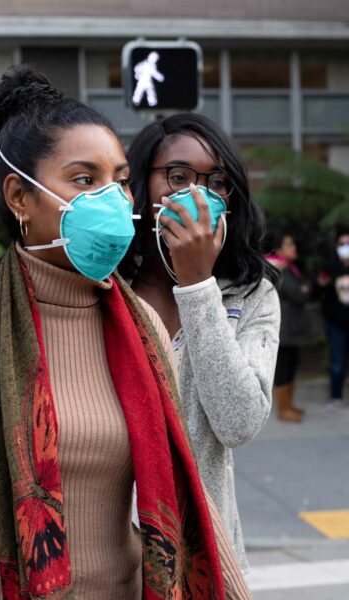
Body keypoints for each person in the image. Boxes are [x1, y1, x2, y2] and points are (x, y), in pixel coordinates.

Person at [0, 67, 250, 599]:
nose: (114, 201)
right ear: (19, 197)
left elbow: (185, 485)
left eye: (119, 180)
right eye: (84, 180)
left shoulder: (140, 327)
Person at [119, 112, 280, 572]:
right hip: (111, 558)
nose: (196, 193)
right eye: (177, 176)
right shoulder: (108, 288)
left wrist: (196, 284)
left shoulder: (252, 295)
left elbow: (239, 422)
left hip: (202, 557)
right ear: (142, 184)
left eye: (217, 181)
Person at [265, 232, 310, 422]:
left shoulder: (289, 268)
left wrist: (303, 290)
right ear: (279, 249)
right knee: (284, 367)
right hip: (283, 327)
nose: (294, 248)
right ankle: (283, 409)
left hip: (291, 326)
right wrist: (303, 290)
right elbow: (297, 295)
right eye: (290, 245)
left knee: (291, 365)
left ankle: (289, 404)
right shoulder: (278, 269)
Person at [317, 231, 349, 407]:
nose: (346, 248)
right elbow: (318, 291)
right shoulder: (329, 268)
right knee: (337, 361)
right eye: (342, 244)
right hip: (335, 323)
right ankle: (336, 396)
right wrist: (321, 284)